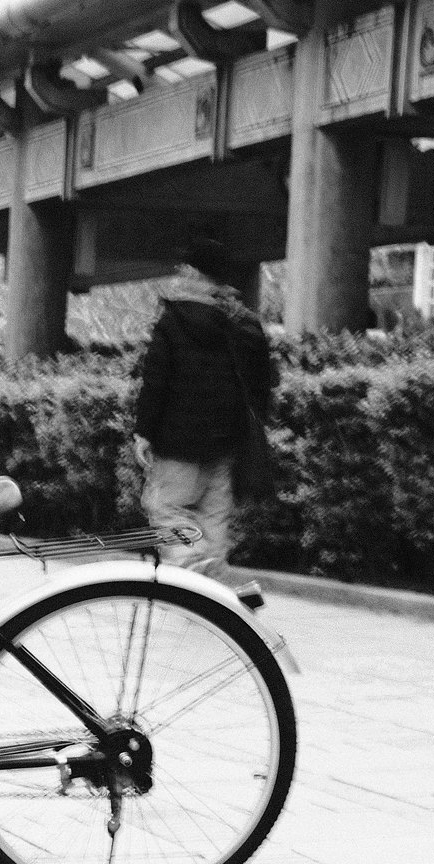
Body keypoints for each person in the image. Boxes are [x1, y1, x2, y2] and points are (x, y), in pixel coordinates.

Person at [134, 238, 276, 612]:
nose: (179, 275)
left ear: (195, 274)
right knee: (214, 520)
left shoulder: (174, 321)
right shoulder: (242, 323)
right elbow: (263, 385)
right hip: (227, 442)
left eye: (185, 269)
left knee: (167, 511)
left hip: (177, 442)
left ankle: (194, 568)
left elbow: (155, 381)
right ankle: (214, 594)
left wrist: (144, 431)